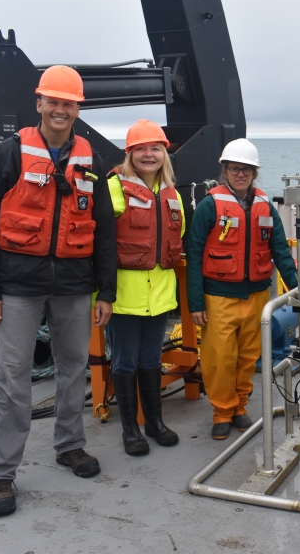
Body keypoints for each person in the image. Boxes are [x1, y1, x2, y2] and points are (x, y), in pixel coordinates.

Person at [0, 65, 117, 516]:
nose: (60, 109)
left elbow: (105, 229)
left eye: (68, 102)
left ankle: (70, 445)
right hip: (16, 286)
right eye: (52, 101)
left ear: (78, 108)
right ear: (39, 104)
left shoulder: (89, 160)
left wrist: (106, 292)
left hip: (74, 285)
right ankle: (0, 473)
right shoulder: (11, 153)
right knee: (10, 377)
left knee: (74, 367)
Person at [185, 138, 299, 440]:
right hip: (218, 297)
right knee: (219, 358)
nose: (241, 174)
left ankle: (239, 407)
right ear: (225, 170)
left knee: (248, 357)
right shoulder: (209, 206)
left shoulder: (265, 206)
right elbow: (194, 254)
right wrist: (195, 302)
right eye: (235, 168)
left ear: (254, 172)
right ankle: (222, 411)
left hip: (258, 295)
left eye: (246, 169)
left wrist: (299, 286)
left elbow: (280, 251)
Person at [105, 120, 185, 456]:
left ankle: (155, 422)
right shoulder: (114, 188)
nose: (148, 154)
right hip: (124, 297)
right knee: (125, 363)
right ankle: (130, 430)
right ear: (129, 153)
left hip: (161, 295)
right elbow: (101, 244)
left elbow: (176, 240)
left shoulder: (173, 194)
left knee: (151, 360)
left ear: (164, 153)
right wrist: (103, 294)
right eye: (141, 148)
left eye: (155, 148)